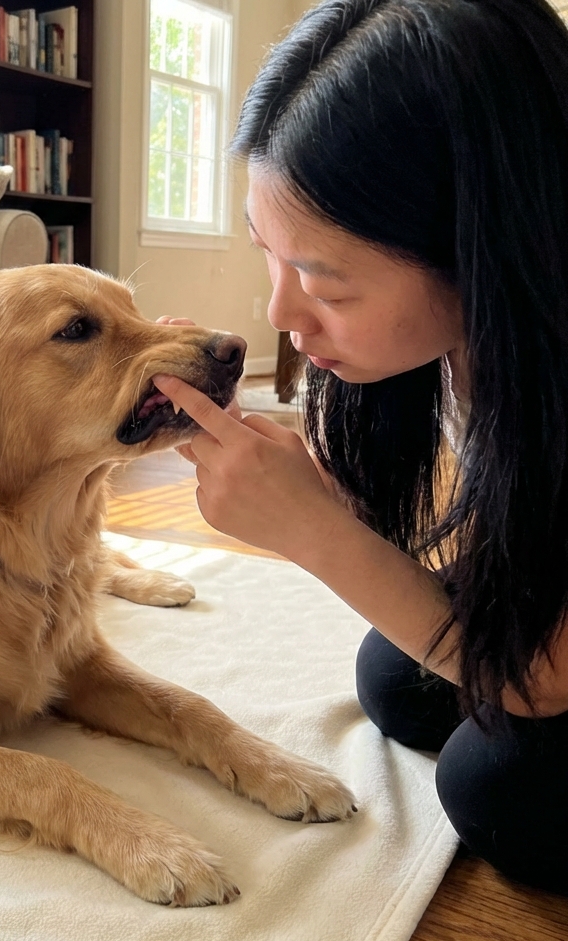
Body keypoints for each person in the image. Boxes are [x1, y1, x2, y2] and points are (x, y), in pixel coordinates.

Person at [152, 0, 568, 895]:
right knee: (396, 675)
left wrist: (318, 536)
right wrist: (329, 505)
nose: (279, 315)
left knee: (501, 785)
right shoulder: (471, 349)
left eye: (323, 282)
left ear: (481, 250)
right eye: (271, 254)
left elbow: (544, 681)